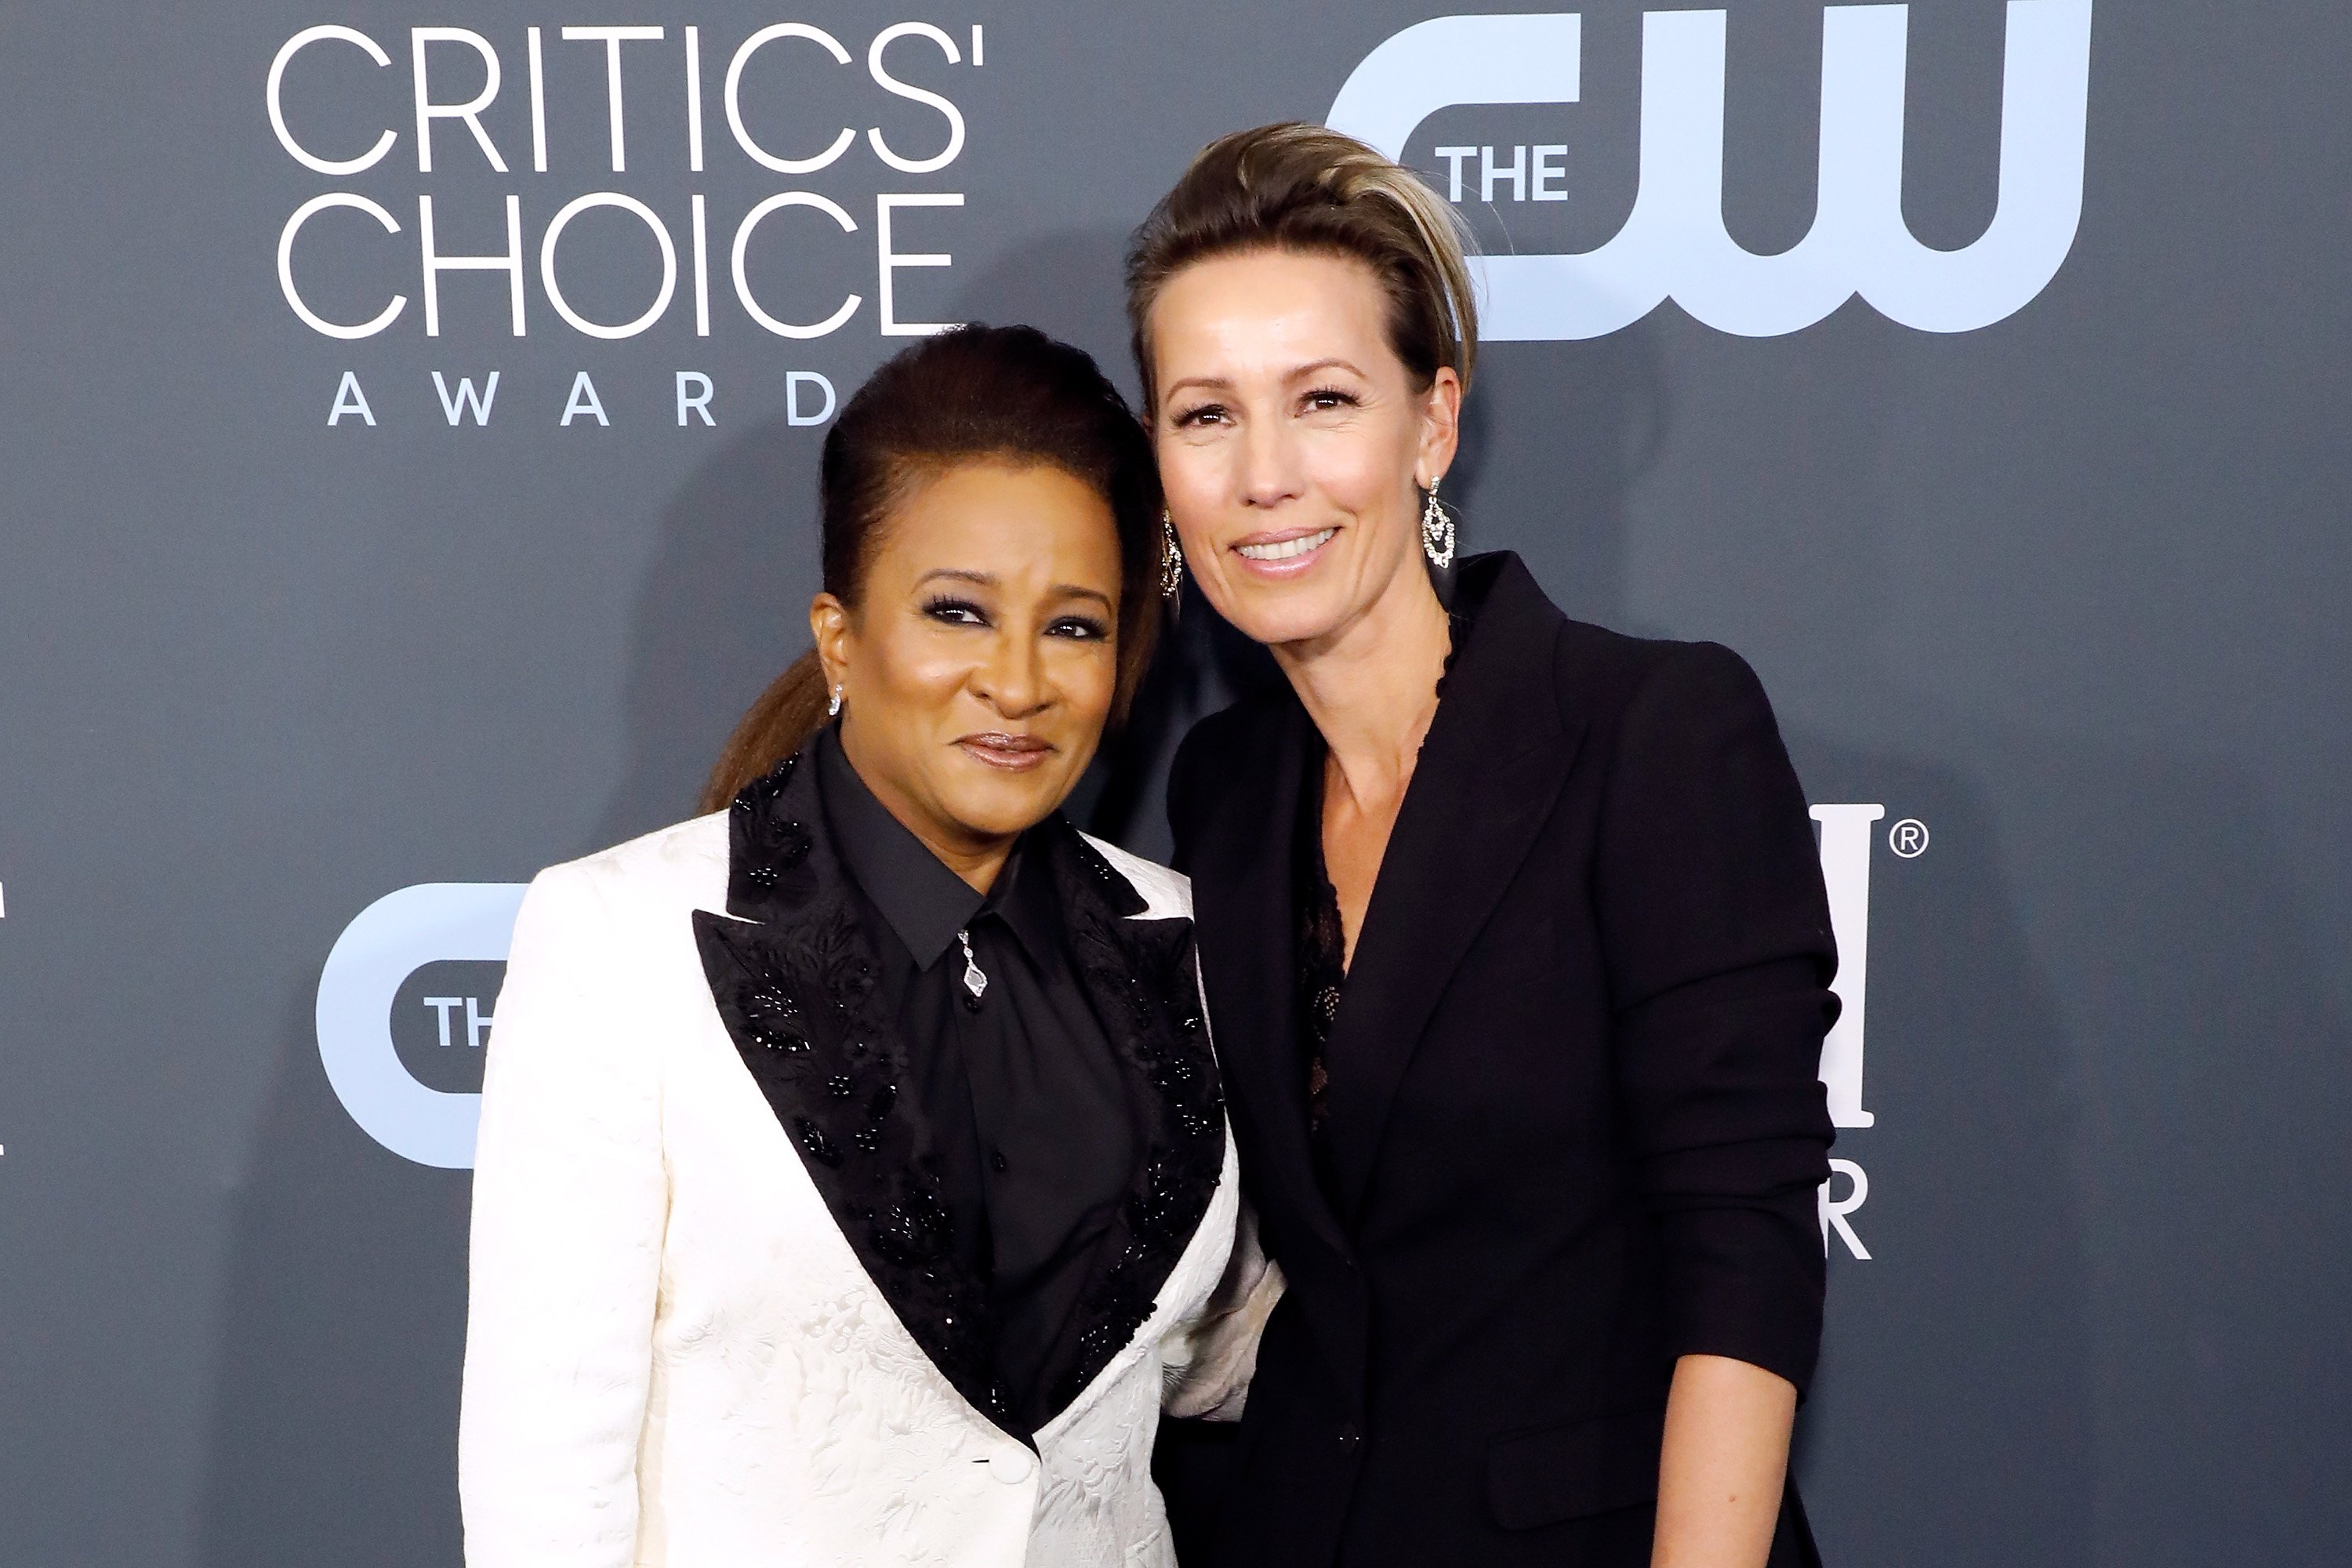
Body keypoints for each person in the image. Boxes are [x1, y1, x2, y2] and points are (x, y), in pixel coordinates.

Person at [1130, 125, 1840, 1568]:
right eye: (1206, 414)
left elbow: (1742, 1262)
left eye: (1323, 400)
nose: (1265, 474)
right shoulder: (1224, 786)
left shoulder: (1651, 734)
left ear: (1433, 424)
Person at [459, 325, 1244, 1568]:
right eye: (957, 613)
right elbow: (547, 1493)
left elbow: (1222, 1361)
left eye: (1076, 627)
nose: (1018, 681)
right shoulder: (616, 944)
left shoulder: (1196, 948)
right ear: (840, 637)